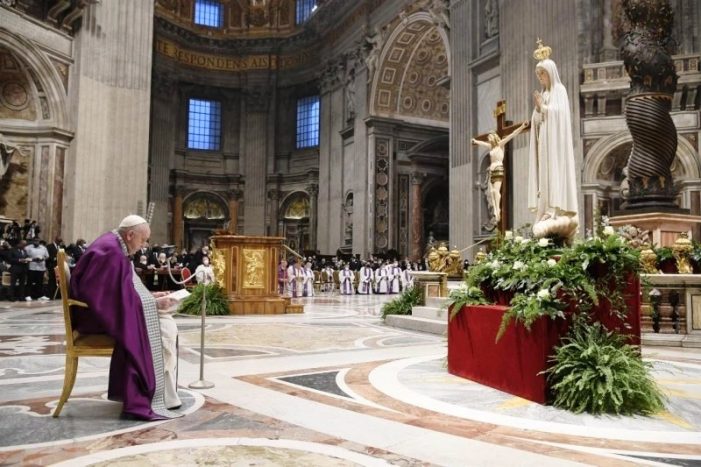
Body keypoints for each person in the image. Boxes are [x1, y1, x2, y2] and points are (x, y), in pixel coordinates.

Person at [69, 215, 182, 420]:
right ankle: (152, 392)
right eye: (143, 240)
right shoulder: (110, 252)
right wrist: (153, 304)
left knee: (165, 323)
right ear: (130, 235)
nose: (144, 246)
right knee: (164, 327)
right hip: (94, 318)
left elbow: (121, 290)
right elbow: (106, 299)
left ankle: (163, 392)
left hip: (98, 311)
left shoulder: (114, 246)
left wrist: (150, 297)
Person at [528, 40, 579, 240]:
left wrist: (544, 108)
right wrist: (538, 112)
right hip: (544, 143)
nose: (540, 77)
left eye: (542, 74)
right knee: (544, 175)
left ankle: (555, 208)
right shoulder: (543, 94)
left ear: (550, 73)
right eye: (538, 74)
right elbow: (537, 119)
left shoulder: (560, 91)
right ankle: (545, 208)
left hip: (555, 144)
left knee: (554, 172)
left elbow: (561, 116)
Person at [471, 120, 529, 223]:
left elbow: (512, 134)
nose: (488, 140)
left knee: (495, 191)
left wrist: (522, 127)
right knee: (491, 191)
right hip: (491, 171)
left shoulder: (500, 144)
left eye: (489, 138)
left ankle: (498, 210)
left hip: (498, 168)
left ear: (494, 137)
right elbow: (482, 143)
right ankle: (496, 210)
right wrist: (475, 141)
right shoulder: (491, 147)